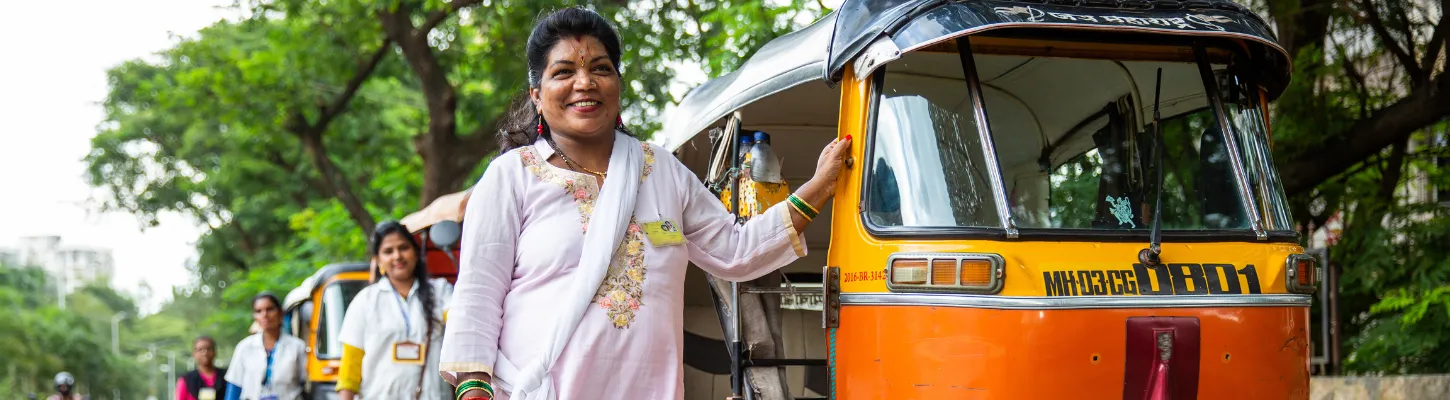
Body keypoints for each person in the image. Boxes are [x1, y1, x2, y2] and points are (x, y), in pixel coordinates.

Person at [438, 7, 851, 400]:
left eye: (600, 68)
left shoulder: (660, 170)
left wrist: (819, 186)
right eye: (564, 72)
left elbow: (737, 251)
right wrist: (473, 389)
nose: (585, 82)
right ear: (537, 95)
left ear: (618, 83)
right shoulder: (513, 174)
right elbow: (477, 294)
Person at [336, 221, 454, 400]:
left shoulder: (441, 292)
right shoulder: (365, 301)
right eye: (388, 251)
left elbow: (461, 328)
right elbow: (349, 371)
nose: (397, 256)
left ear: (415, 252)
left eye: (403, 248)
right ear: (378, 260)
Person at [224, 293, 307, 400]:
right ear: (255, 316)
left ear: (280, 313)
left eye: (270, 309)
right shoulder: (244, 347)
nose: (265, 315)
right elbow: (234, 388)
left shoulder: (297, 347)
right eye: (258, 311)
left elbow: (305, 384)